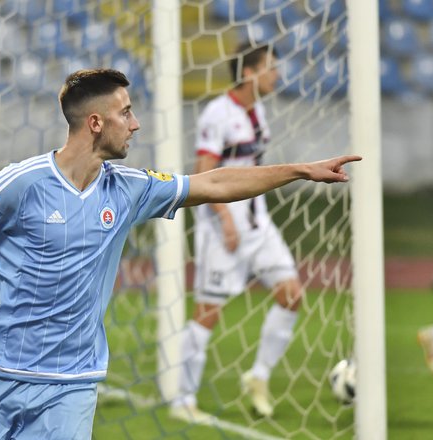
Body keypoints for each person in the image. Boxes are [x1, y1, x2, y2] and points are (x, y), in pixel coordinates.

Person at [0, 68, 360, 439]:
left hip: (72, 384)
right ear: (96, 122)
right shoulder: (22, 183)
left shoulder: (129, 189)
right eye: (126, 113)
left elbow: (215, 181)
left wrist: (297, 170)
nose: (135, 124)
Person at [170, 43, 303, 421]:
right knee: (208, 312)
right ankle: (183, 400)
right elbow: (203, 172)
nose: (277, 74)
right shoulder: (218, 113)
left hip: (259, 225)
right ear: (249, 72)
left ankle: (258, 376)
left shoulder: (257, 109)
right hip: (222, 228)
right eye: (271, 67)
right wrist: (225, 219)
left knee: (292, 295)